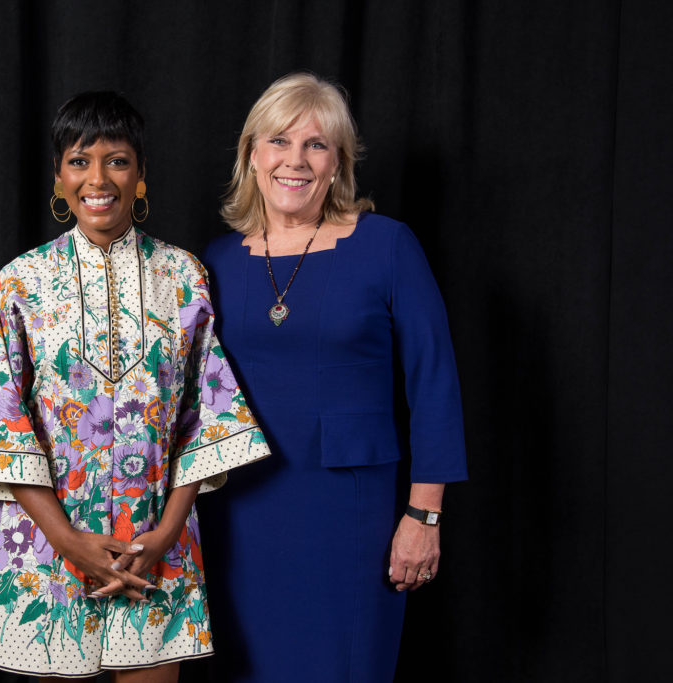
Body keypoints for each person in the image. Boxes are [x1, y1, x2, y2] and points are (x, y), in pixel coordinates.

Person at [0, 91, 269, 682]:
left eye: (117, 160)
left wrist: (165, 533)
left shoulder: (184, 275)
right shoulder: (21, 282)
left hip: (154, 550)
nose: (99, 178)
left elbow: (207, 419)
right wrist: (68, 541)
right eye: (79, 160)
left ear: (140, 175)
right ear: (59, 177)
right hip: (44, 548)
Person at [199, 73, 468, 681]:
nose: (295, 160)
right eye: (279, 141)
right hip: (237, 513)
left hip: (351, 514)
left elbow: (434, 382)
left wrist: (424, 516)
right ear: (251, 154)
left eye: (316, 145)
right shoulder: (214, 260)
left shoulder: (388, 246)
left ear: (338, 162)